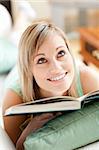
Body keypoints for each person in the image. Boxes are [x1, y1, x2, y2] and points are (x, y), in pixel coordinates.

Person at [2, 19, 99, 150]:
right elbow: (15, 147)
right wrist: (30, 130)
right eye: (41, 60)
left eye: (61, 53)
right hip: (18, 76)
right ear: (29, 69)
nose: (56, 68)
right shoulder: (14, 99)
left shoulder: (87, 78)